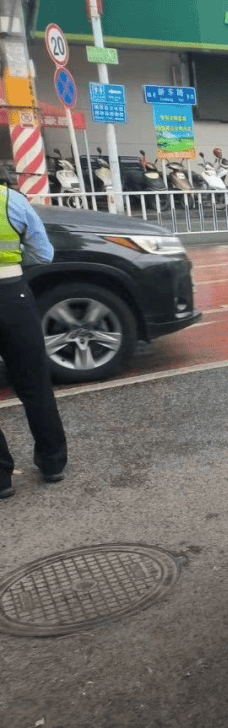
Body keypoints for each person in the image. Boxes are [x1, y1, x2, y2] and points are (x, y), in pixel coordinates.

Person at [0, 184, 66, 500]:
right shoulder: (11, 200)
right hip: (12, 295)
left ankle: (1, 480)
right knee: (35, 385)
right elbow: (44, 253)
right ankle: (52, 464)